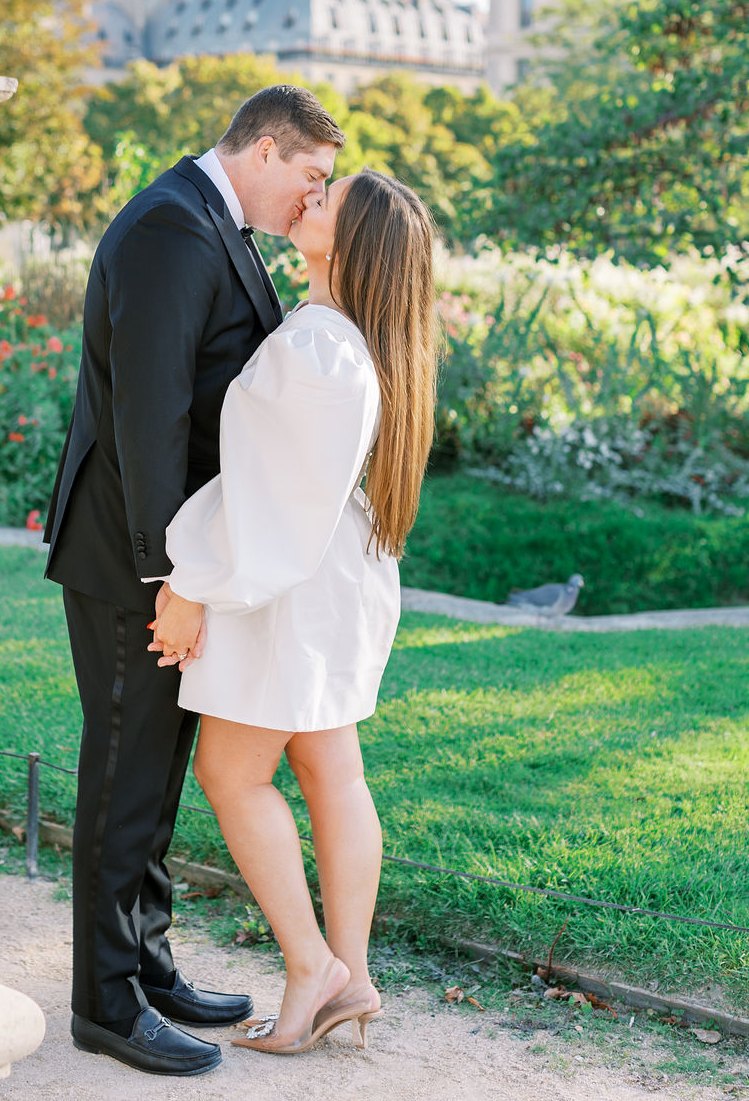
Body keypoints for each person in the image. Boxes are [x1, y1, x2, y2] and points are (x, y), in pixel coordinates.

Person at [43, 85, 345, 1076]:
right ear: (264, 149)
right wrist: (168, 573)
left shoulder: (206, 217)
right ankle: (104, 1003)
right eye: (310, 177)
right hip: (134, 556)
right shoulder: (173, 231)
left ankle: (150, 966)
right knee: (124, 771)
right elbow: (150, 419)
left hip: (171, 555)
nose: (313, 199)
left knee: (157, 769)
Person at [149, 169, 441, 1055]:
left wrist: (190, 581)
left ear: (349, 245)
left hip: (290, 582)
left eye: (330, 198)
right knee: (331, 773)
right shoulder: (355, 341)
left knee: (233, 776)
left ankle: (313, 967)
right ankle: (348, 977)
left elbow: (265, 495)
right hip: (332, 573)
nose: (310, 195)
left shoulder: (322, 348)